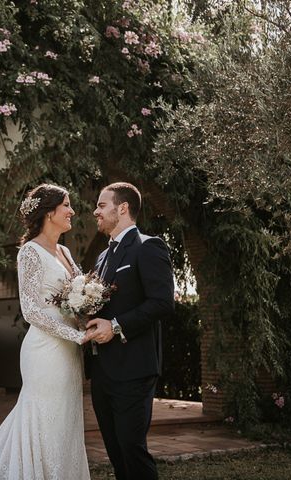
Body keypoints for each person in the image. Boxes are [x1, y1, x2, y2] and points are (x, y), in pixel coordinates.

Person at [0, 183, 91, 480]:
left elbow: (75, 300)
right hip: (45, 351)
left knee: (65, 421)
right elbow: (31, 310)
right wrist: (76, 335)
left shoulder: (65, 251)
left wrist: (86, 324)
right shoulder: (30, 253)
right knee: (42, 420)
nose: (72, 211)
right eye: (67, 206)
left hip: (70, 351)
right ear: (49, 213)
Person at [85, 182, 174, 480]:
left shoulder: (149, 247)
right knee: (115, 452)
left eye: (101, 205)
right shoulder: (101, 257)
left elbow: (162, 303)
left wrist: (116, 326)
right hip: (102, 371)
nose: (95, 211)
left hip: (134, 369)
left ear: (122, 208)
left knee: (132, 450)